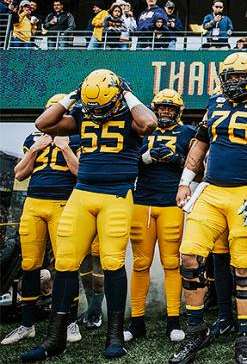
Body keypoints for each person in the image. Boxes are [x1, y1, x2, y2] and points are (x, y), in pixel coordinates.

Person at [20, 70, 157, 362]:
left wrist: (128, 92)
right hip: (81, 194)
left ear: (119, 97)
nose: (96, 112)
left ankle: (115, 336)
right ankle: (55, 338)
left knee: (111, 262)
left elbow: (149, 123)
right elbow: (43, 123)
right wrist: (74, 93)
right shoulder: (83, 115)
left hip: (117, 194)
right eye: (91, 106)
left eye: (102, 106)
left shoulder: (131, 116)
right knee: (66, 262)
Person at [169, 52, 247, 364]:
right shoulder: (215, 103)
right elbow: (200, 142)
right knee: (189, 256)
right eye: (230, 76)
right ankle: (196, 332)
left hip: (246, 192)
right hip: (211, 190)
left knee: (244, 267)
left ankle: (245, 337)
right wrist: (185, 180)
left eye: (239, 76)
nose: (233, 81)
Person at [1, 94, 80, 346]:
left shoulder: (77, 136)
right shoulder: (33, 139)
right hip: (33, 203)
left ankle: (70, 321)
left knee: (65, 264)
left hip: (63, 203)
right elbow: (20, 173)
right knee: (30, 263)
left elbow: (79, 171)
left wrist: (65, 146)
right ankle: (27, 324)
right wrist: (35, 149)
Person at [125, 89, 195, 343]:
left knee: (171, 263)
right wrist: (143, 158)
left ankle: (173, 320)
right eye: (162, 107)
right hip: (142, 202)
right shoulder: (142, 129)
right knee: (141, 263)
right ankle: (136, 321)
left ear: (178, 111)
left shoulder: (188, 133)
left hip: (171, 203)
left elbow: (200, 170)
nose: (165, 112)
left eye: (170, 108)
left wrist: (180, 161)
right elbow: (123, 161)